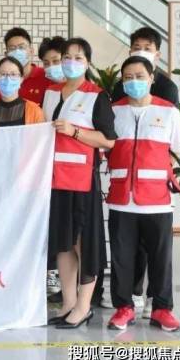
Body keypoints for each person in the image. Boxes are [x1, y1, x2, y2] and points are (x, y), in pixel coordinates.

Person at [105, 56, 180, 332]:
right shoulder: (113, 111)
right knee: (122, 258)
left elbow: (175, 151)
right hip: (121, 199)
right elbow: (106, 148)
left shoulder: (169, 112)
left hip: (156, 201)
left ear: (151, 79)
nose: (134, 82)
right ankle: (124, 307)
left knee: (161, 259)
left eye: (139, 76)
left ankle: (162, 309)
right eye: (128, 77)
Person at [43, 38, 117, 329]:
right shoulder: (51, 94)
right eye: (67, 56)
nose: (71, 62)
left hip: (82, 180)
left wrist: (75, 132)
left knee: (83, 242)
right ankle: (68, 302)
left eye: (78, 57)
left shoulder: (96, 96)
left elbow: (108, 140)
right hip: (54, 180)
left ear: (87, 63)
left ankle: (84, 306)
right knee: (63, 243)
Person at [38, 35, 66, 301]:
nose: (52, 67)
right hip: (49, 168)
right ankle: (52, 277)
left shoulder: (90, 92)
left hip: (75, 172)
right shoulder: (49, 93)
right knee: (52, 224)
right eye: (46, 63)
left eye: (56, 60)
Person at [0, 57, 45, 127]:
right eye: (3, 74)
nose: (8, 79)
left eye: (13, 74)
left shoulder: (35, 111)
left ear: (21, 79)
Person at [3, 27, 49, 105]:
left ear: (31, 51)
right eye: (12, 48)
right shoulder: (3, 81)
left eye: (21, 47)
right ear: (6, 54)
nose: (17, 51)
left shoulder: (46, 76)